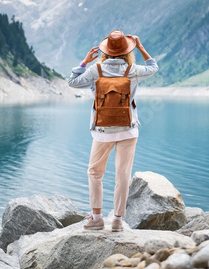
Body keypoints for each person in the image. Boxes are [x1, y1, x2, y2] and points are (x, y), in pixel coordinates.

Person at [68, 30, 158, 232]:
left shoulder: (95, 70)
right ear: (127, 51)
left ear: (105, 51)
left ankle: (97, 218)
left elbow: (72, 82)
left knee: (95, 173)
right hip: (128, 129)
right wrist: (141, 47)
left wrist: (83, 62)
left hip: (102, 130)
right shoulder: (133, 70)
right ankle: (117, 220)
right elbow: (154, 67)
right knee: (123, 175)